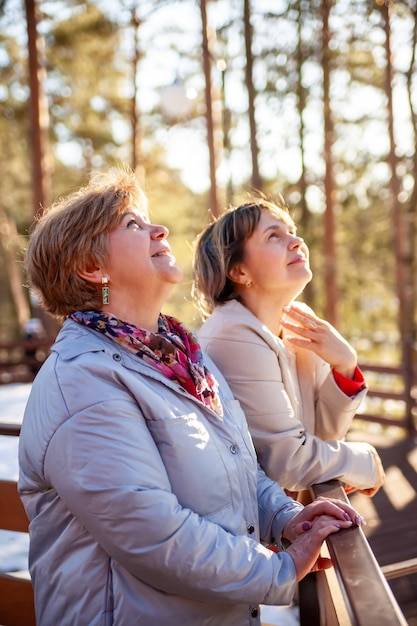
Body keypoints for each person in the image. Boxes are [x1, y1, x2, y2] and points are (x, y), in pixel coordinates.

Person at [18, 168, 365, 626]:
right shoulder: (83, 381)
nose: (159, 229)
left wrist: (285, 517)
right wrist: (279, 567)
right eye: (133, 225)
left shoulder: (182, 358)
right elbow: (152, 534)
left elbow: (238, 464)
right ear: (92, 268)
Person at [192, 197, 385, 500]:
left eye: (292, 231)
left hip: (293, 519)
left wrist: (345, 366)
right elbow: (290, 462)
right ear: (239, 272)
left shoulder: (296, 321)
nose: (296, 241)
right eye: (274, 236)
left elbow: (322, 437)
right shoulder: (233, 335)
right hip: (252, 533)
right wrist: (364, 461)